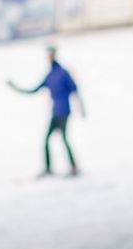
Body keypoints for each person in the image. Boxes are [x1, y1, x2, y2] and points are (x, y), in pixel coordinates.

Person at [9, 45, 85, 177]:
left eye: (51, 54)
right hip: (55, 113)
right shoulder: (49, 75)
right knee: (47, 140)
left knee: (64, 138)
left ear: (55, 55)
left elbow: (75, 90)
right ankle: (49, 168)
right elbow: (33, 90)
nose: (49, 57)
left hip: (64, 111)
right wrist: (15, 87)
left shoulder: (62, 73)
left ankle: (73, 167)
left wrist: (82, 107)